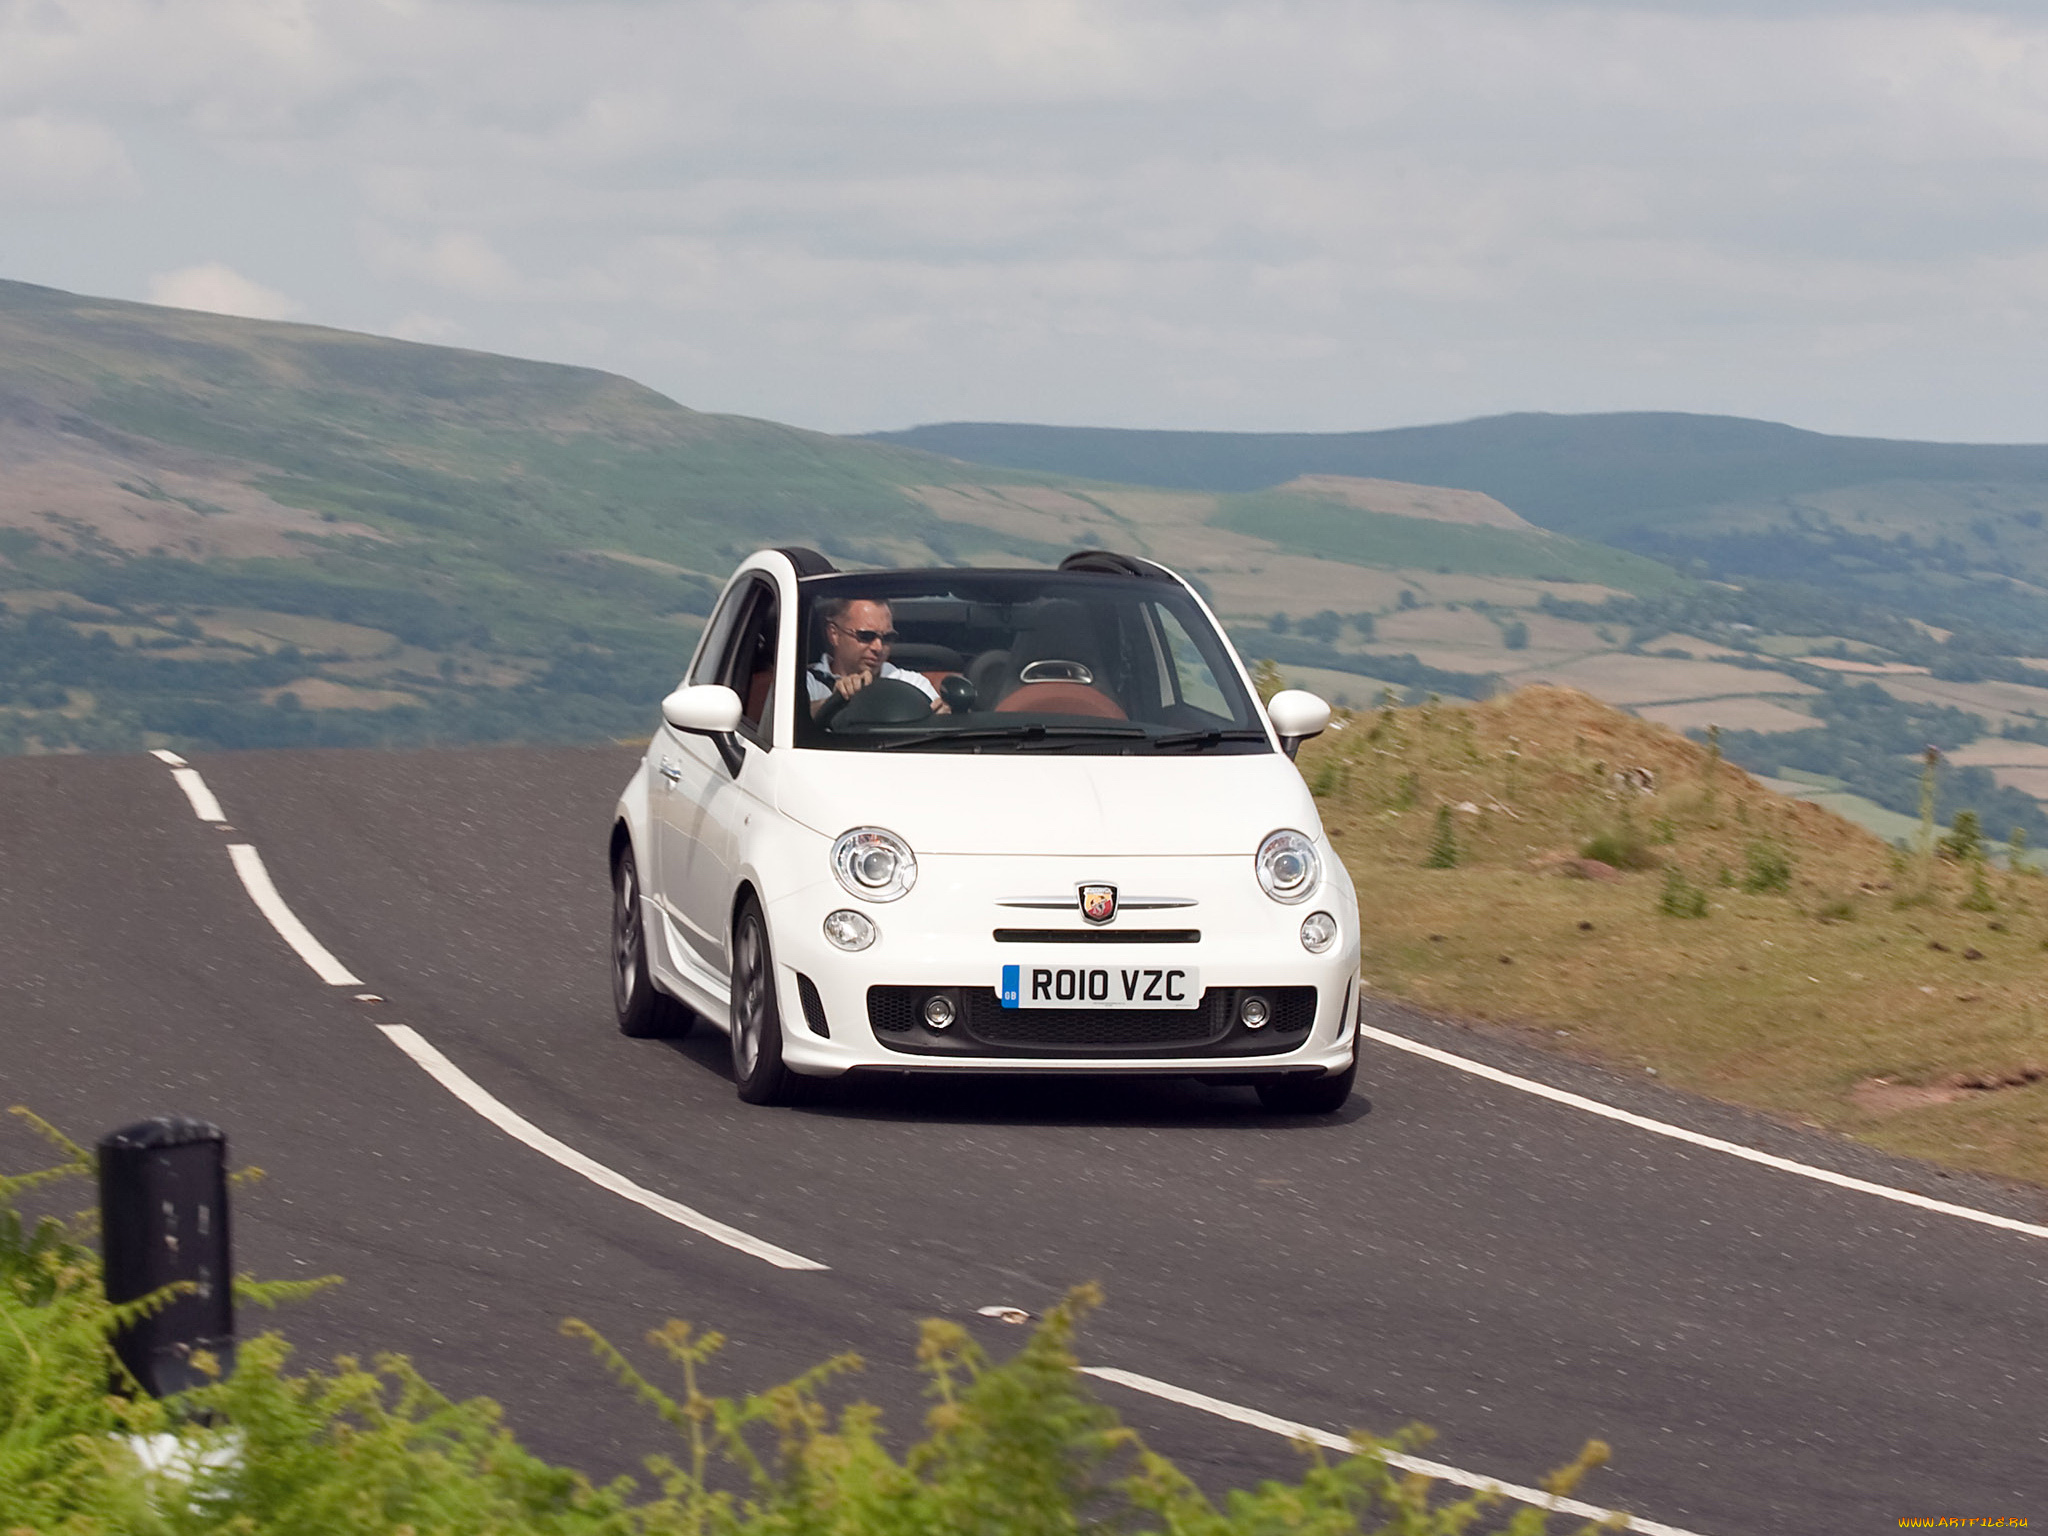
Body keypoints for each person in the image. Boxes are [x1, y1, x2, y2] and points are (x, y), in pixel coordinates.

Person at [807, 597, 948, 715]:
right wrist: (833, 701)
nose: (878, 647)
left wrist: (942, 716)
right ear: (834, 634)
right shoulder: (805, 683)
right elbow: (790, 721)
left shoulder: (911, 683)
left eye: (887, 637)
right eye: (866, 636)